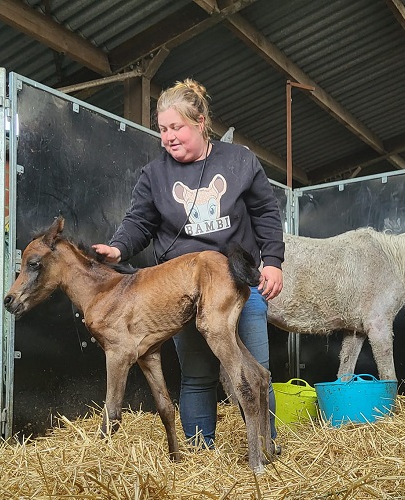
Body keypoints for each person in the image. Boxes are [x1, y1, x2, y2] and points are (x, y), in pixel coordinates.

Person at [92, 79, 284, 450]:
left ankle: (266, 445)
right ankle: (201, 450)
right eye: (162, 130)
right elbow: (139, 223)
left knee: (255, 370)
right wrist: (118, 249)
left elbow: (266, 212)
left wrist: (273, 262)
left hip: (238, 280)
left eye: (176, 127)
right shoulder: (155, 175)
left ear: (200, 122)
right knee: (197, 377)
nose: (168, 137)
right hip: (181, 289)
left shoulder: (239, 160)